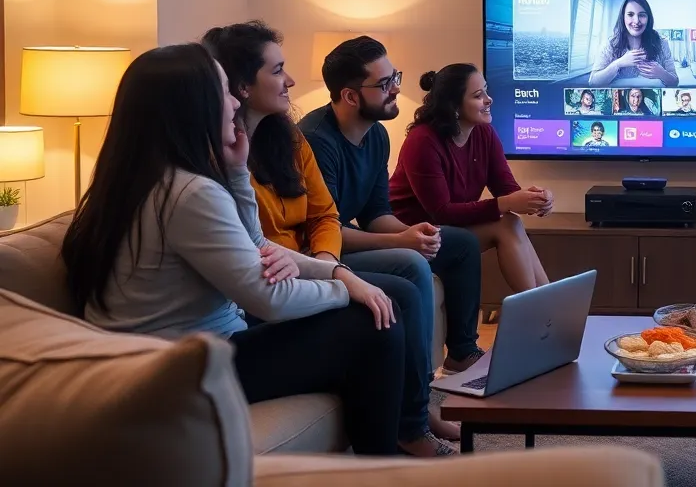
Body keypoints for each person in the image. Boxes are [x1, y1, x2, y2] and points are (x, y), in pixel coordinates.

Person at [59, 43, 444, 457]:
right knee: (374, 322)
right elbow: (268, 298)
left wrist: (239, 173)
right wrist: (344, 290)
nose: (233, 103)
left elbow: (255, 244)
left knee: (374, 309)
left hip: (168, 359)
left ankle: (388, 445)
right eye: (223, 92)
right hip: (179, 370)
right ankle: (381, 467)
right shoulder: (190, 193)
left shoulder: (150, 178)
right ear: (193, 106)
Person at [202, 21, 458, 448]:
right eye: (278, 70)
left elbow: (325, 214)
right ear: (242, 87)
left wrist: (326, 261)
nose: (291, 80)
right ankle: (409, 425)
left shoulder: (288, 138)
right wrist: (337, 275)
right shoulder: (223, 162)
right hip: (274, 277)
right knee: (396, 293)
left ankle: (414, 409)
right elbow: (253, 248)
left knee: (422, 265)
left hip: (310, 260)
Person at [298, 36, 486, 376]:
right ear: (350, 96)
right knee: (411, 262)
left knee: (460, 243)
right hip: (319, 251)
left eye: (395, 77)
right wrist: (401, 241)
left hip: (343, 237)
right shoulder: (315, 141)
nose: (397, 88)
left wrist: (413, 232)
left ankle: (462, 352)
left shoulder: (377, 134)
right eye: (385, 84)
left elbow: (376, 214)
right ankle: (421, 382)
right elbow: (323, 230)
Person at [390, 63, 553, 293]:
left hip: (450, 230)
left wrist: (536, 198)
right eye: (478, 95)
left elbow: (506, 188)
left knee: (512, 222)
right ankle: (540, 307)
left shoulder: (484, 133)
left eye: (486, 91)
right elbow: (442, 212)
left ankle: (545, 304)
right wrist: (506, 203)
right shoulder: (422, 141)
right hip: (415, 235)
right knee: (507, 225)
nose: (489, 99)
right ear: (454, 106)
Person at [588, 0, 678, 87]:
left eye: (642, 15)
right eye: (630, 15)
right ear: (623, 17)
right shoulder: (610, 45)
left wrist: (662, 73)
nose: (636, 21)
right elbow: (593, 82)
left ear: (648, 18)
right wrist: (618, 64)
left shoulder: (662, 44)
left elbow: (675, 82)